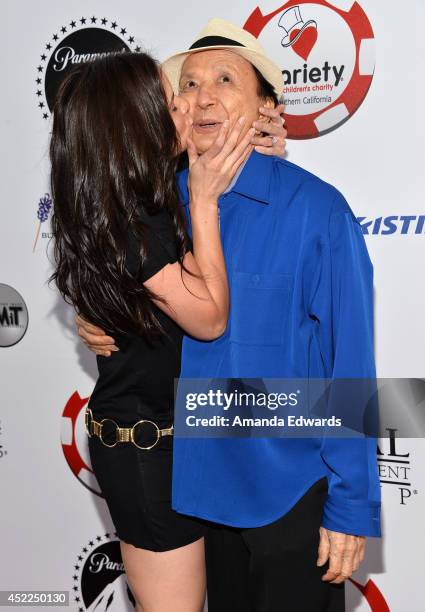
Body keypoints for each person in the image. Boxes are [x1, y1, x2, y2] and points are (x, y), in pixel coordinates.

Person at [77, 18, 381, 612]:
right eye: (187, 85)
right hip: (189, 496)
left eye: (224, 79)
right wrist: (99, 318)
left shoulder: (316, 209)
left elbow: (351, 364)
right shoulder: (158, 207)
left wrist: (350, 504)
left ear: (266, 108)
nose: (203, 96)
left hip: (289, 493)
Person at [51, 51, 287, 612]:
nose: (187, 102)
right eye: (170, 97)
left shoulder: (146, 195)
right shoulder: (138, 218)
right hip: (146, 448)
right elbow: (210, 319)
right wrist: (204, 202)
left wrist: (263, 151)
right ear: (134, 123)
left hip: (186, 436)